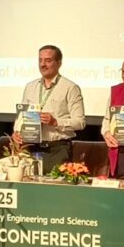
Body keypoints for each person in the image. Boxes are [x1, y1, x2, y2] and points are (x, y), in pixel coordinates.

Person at [11, 45, 86, 173]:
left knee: (54, 185)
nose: (42, 64)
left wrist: (55, 122)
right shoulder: (30, 87)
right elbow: (21, 117)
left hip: (57, 150)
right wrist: (17, 132)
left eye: (48, 60)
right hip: (31, 148)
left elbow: (80, 122)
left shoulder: (70, 88)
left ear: (59, 63)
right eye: (40, 60)